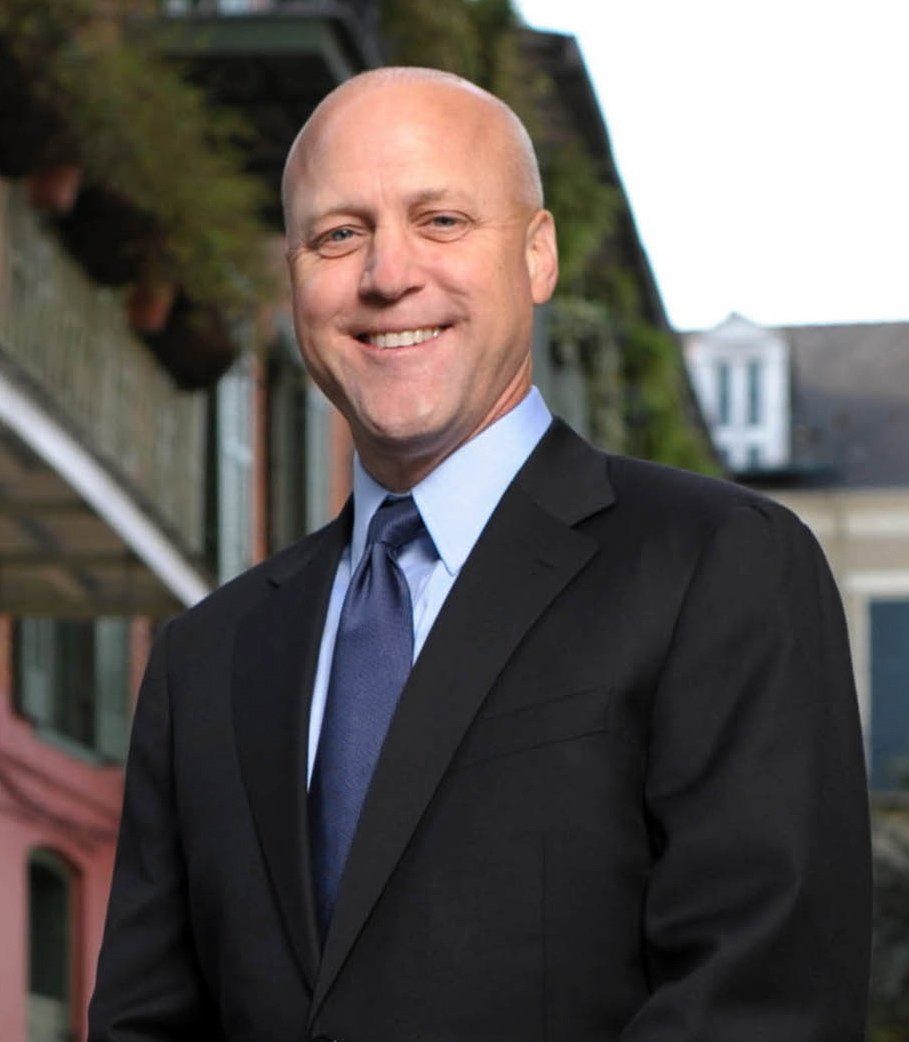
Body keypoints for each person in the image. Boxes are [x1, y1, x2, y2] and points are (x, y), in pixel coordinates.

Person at [89, 67, 871, 1042]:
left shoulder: (718, 568)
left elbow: (762, 1003)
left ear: (538, 255)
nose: (387, 273)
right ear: (293, 277)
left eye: (443, 221)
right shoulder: (205, 658)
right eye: (339, 234)